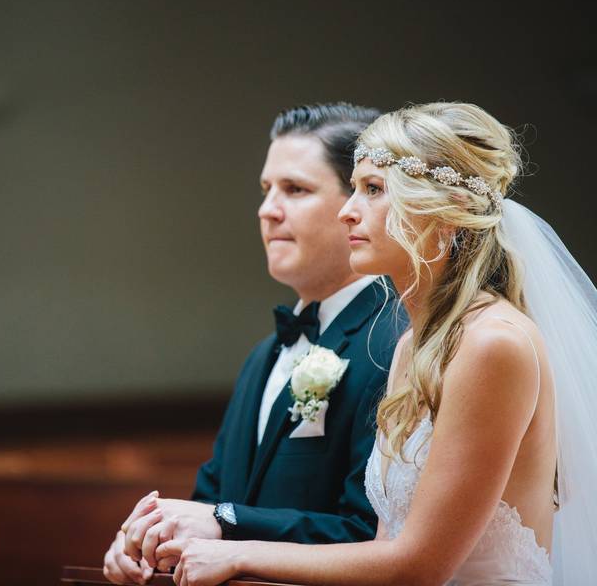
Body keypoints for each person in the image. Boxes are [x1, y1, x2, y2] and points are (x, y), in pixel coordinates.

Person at [152, 102, 597, 585]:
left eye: (372, 190)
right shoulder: (412, 347)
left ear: (443, 214)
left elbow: (420, 565)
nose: (347, 211)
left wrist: (240, 555)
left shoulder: (492, 344)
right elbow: (384, 547)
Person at [104, 103, 408, 585]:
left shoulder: (395, 345)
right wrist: (146, 540)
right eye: (267, 190)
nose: (268, 210)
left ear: (358, 203)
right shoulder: (263, 356)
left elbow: (372, 536)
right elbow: (211, 501)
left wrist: (227, 525)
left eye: (296, 189)